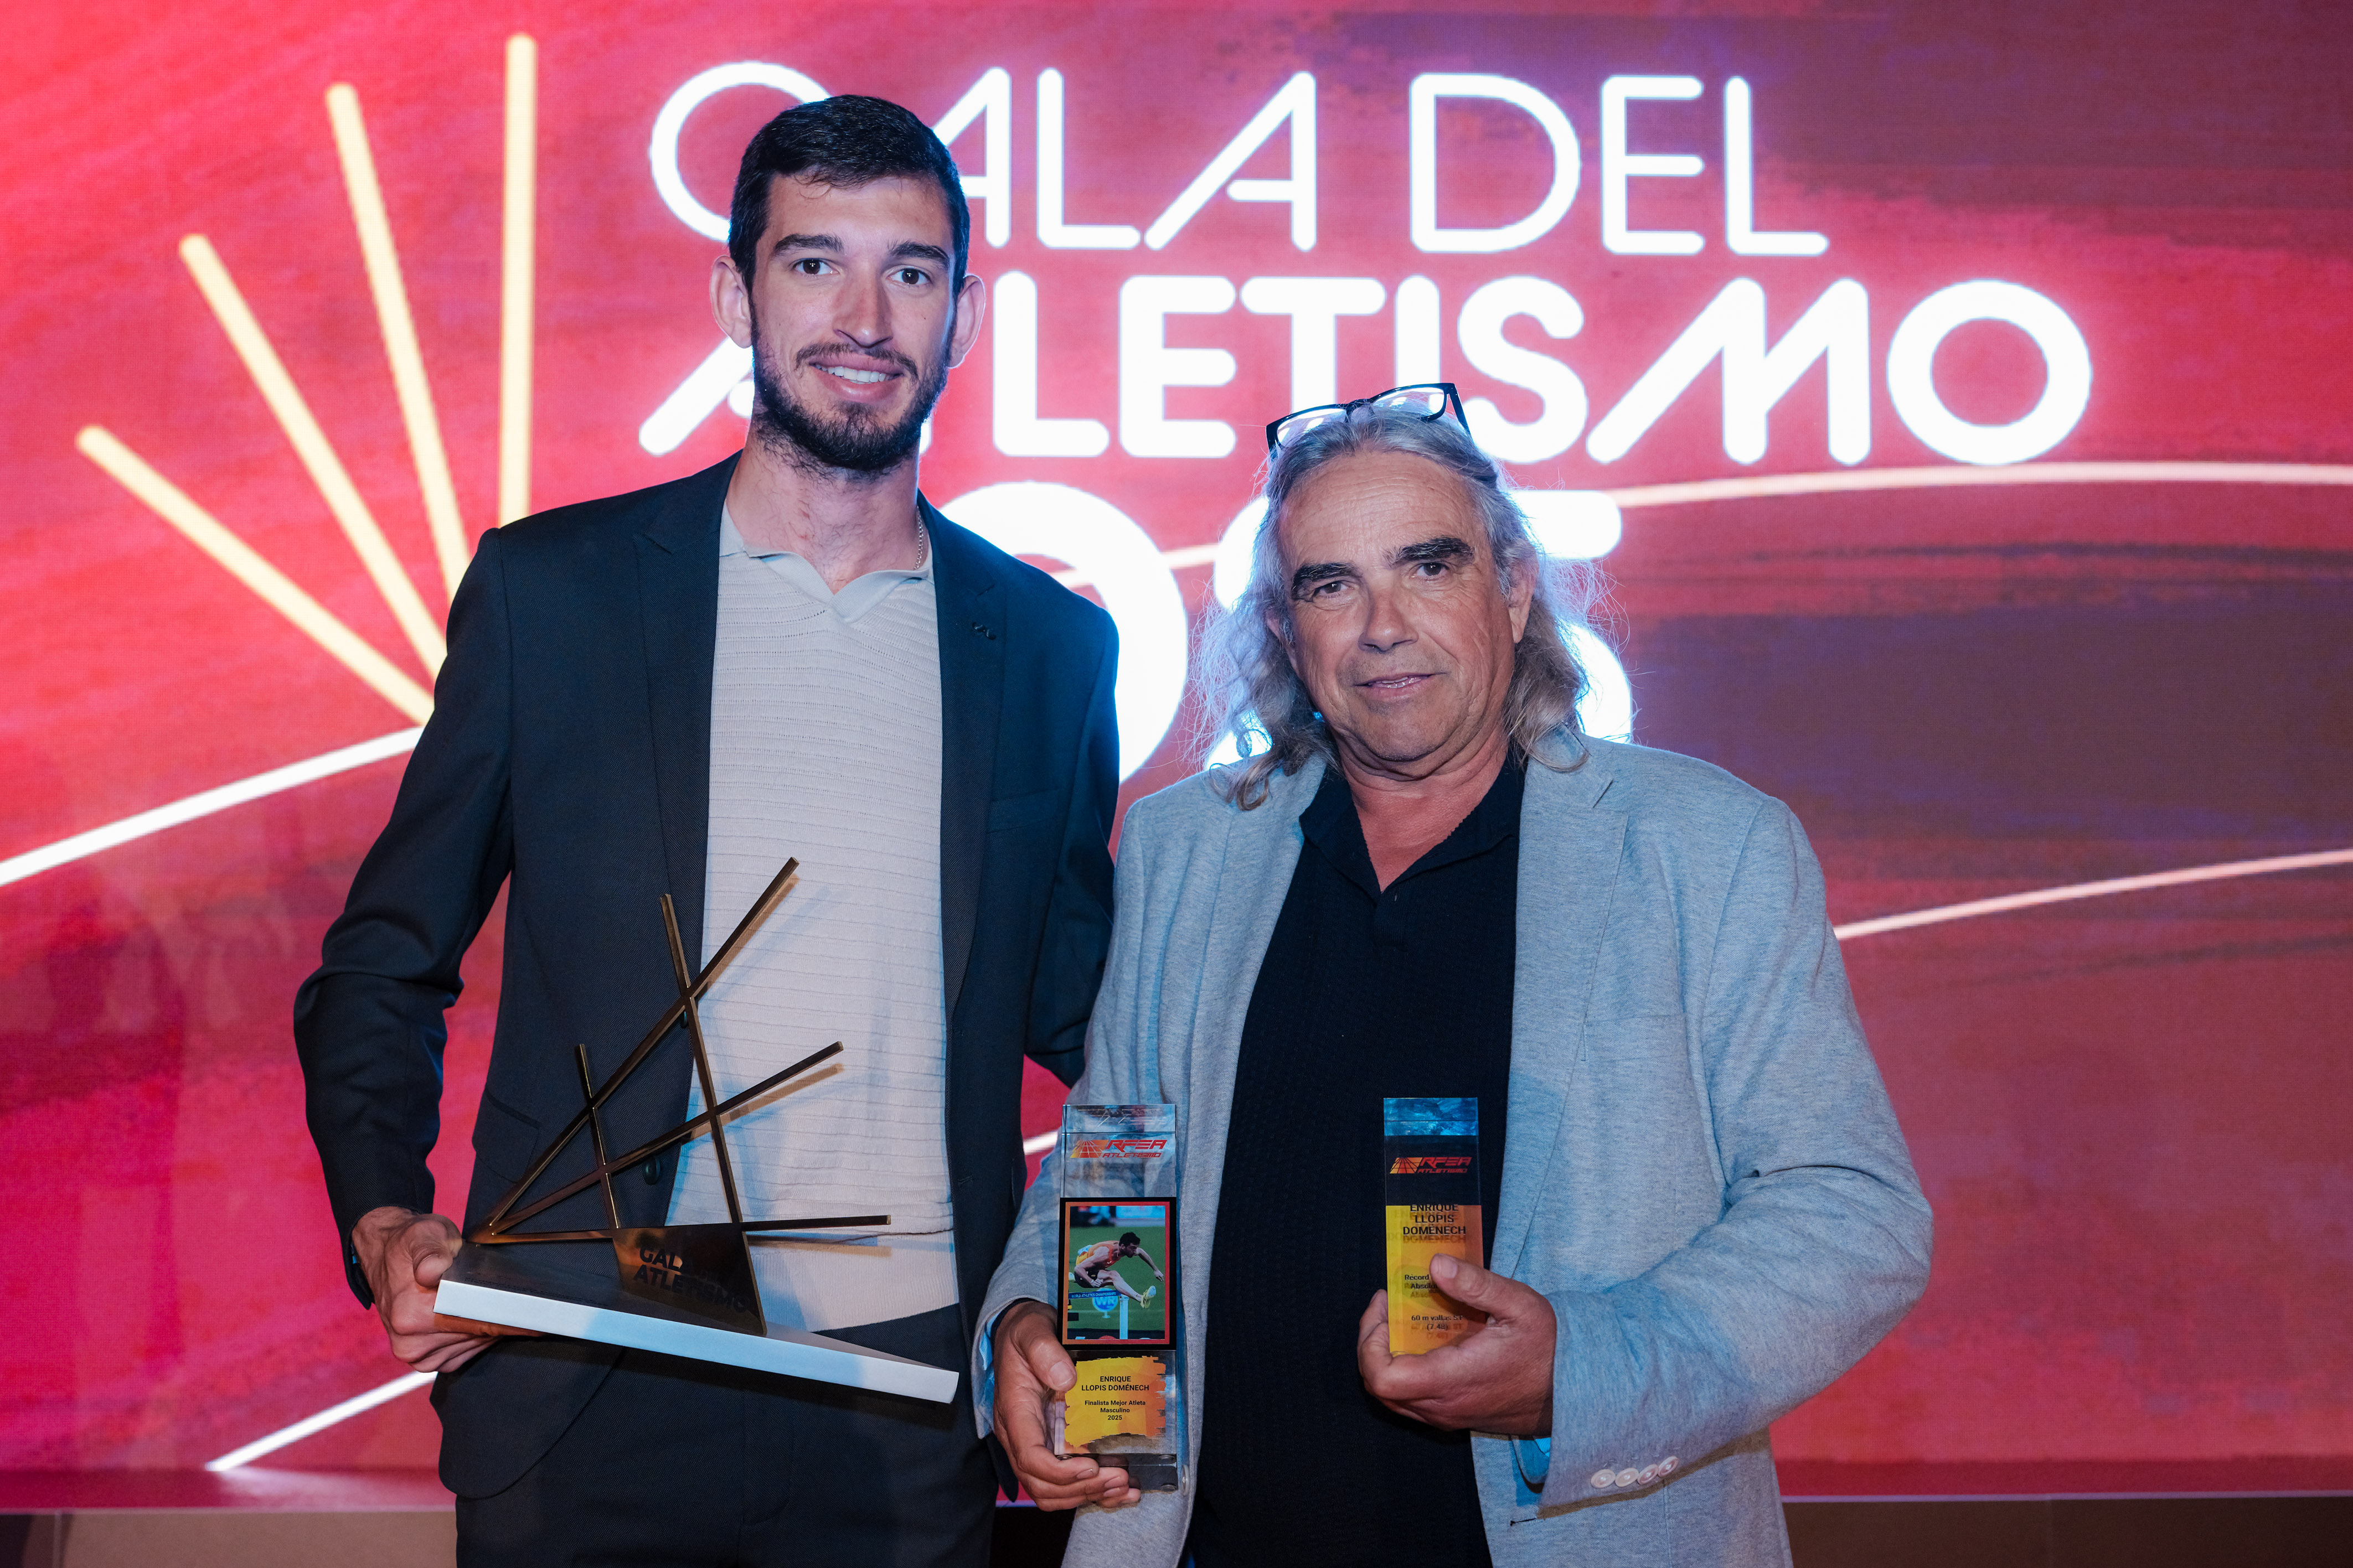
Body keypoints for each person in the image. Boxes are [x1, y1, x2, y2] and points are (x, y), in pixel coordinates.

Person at [294, 94, 1119, 1567]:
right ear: (736, 297)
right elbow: (382, 962)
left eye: (911, 272)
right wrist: (382, 1216)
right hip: (597, 1359)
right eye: (814, 264)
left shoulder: (1051, 647)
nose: (865, 317)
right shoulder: (556, 595)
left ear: (966, 314)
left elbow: (1098, 1025)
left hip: (903, 1395)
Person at [977, 388, 1931, 1565]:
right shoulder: (1187, 848)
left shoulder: (1707, 846)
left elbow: (1851, 1214)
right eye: (1331, 584)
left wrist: (1578, 1368)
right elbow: (1110, 1166)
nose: (1383, 626)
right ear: (1284, 628)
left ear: (1515, 588)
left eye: (1428, 567)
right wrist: (1031, 1314)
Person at [1071, 1233, 1162, 1304]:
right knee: (1114, 1276)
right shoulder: (1104, 1254)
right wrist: (1091, 1281)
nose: (1135, 1251)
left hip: (1094, 1269)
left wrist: (1156, 1270)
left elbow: (1141, 1252)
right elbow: (1078, 1268)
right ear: (1123, 1246)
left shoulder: (1124, 1249)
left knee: (1117, 1278)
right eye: (1133, 1248)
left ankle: (1141, 1298)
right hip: (1082, 1275)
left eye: (1136, 1248)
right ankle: (1141, 1299)